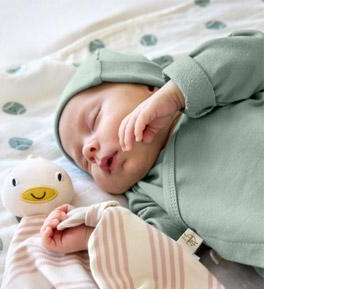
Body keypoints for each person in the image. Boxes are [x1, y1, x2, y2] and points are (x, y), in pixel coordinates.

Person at [41, 30, 263, 274]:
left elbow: (256, 53)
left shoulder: (206, 91)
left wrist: (177, 92)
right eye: (85, 163)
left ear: (150, 86)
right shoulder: (148, 196)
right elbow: (166, 250)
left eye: (94, 119)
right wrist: (95, 235)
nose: (88, 150)